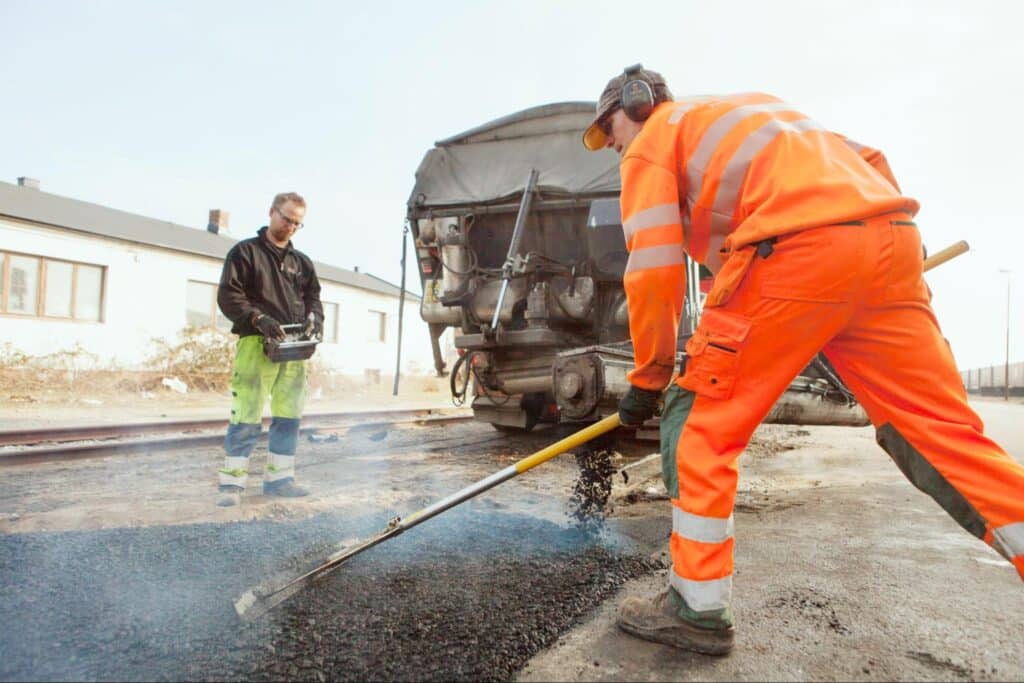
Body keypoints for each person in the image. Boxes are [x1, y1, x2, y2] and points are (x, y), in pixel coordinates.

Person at [582, 64, 1024, 655]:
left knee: (699, 426)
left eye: (608, 129)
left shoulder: (652, 143)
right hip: (889, 239)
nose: (611, 144)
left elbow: (654, 272)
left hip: (799, 249)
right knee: (942, 436)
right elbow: (870, 161)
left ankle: (697, 608)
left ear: (634, 104)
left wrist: (651, 376)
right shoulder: (755, 113)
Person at [214, 192, 324, 507]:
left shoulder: (301, 263)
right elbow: (229, 295)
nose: (290, 226)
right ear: (271, 212)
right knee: (246, 413)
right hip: (256, 342)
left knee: (289, 415)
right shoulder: (245, 253)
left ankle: (279, 480)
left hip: (293, 347)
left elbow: (313, 298)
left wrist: (315, 321)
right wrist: (258, 318)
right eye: (286, 218)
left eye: (297, 223)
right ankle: (232, 486)